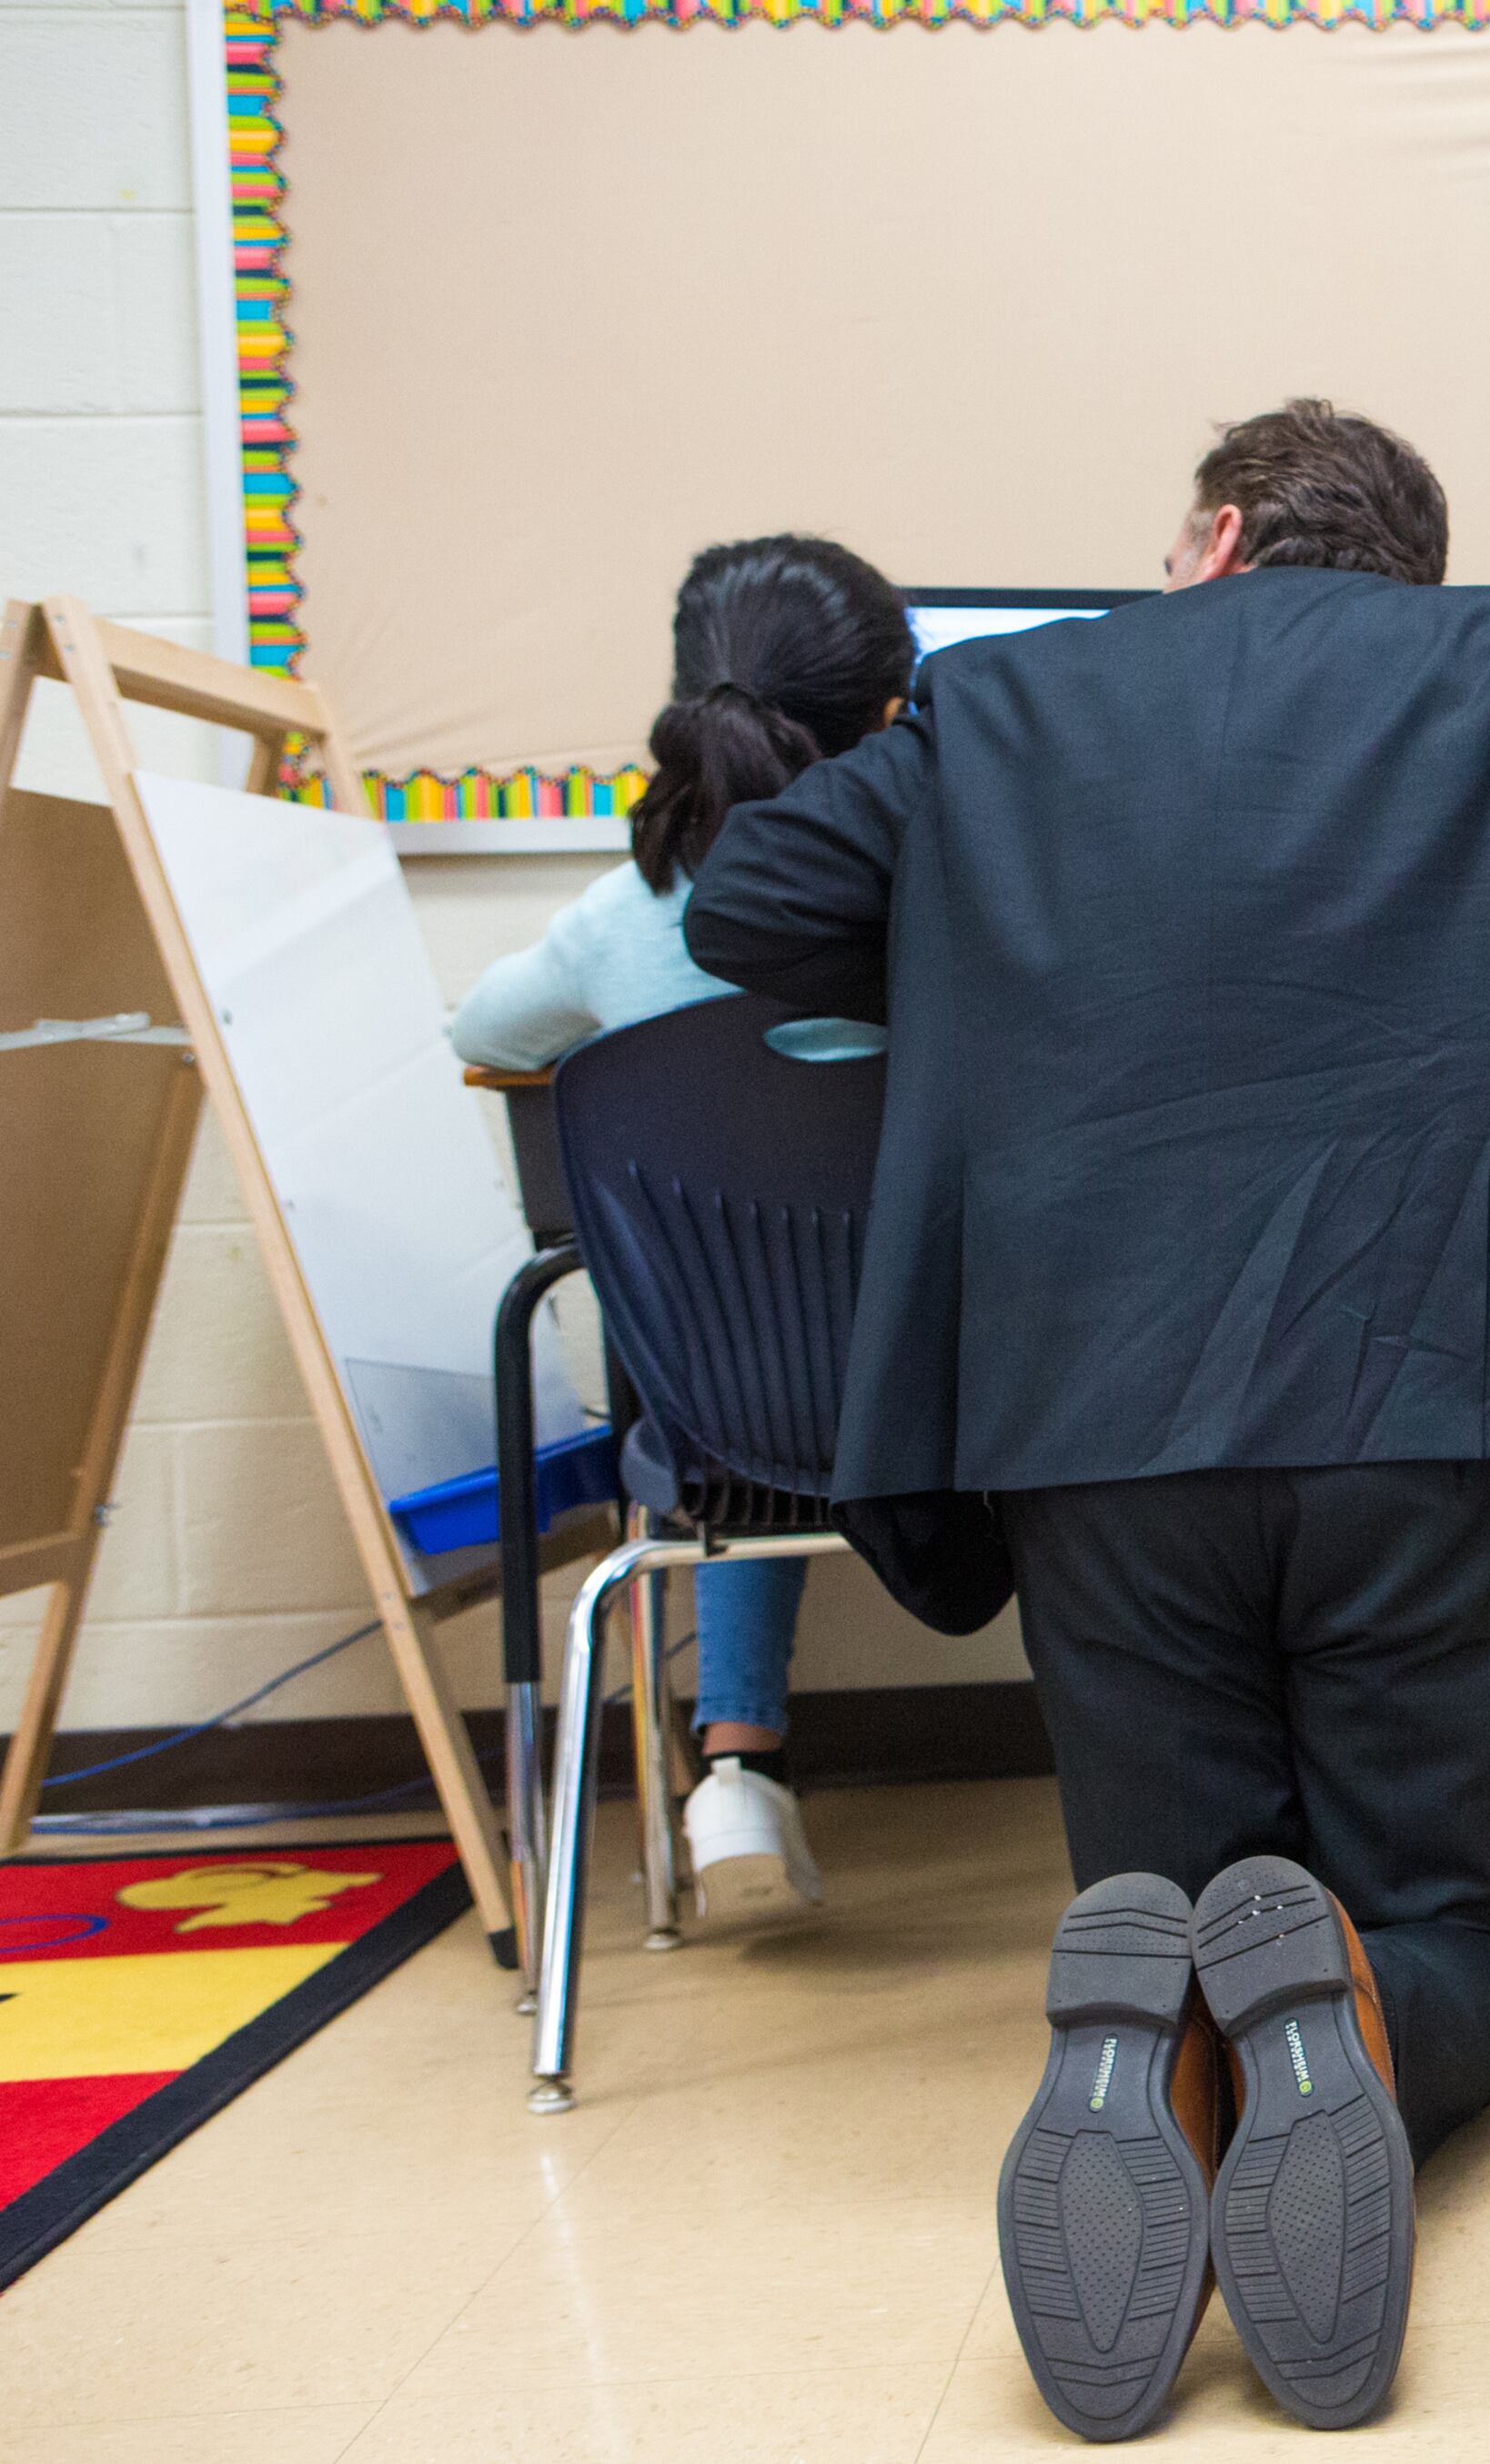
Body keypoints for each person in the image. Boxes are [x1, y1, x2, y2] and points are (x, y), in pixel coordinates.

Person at [681, 400, 1490, 2436]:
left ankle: (1172, 2050)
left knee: (1161, 1899)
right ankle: (1351, 2023)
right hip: (1445, 1384)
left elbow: (745, 907)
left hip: (1092, 1419)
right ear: (1402, 566)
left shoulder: (1002, 707)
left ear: (1215, 536)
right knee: (1463, 1924)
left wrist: (997, 944)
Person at [450, 531, 910, 1922]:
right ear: (891, 716)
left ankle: (735, 1762)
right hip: (967, 1410)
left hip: (728, 1433)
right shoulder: (951, 886)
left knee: (736, 1330)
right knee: (853, 1299)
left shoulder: (624, 913)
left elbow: (479, 1031)